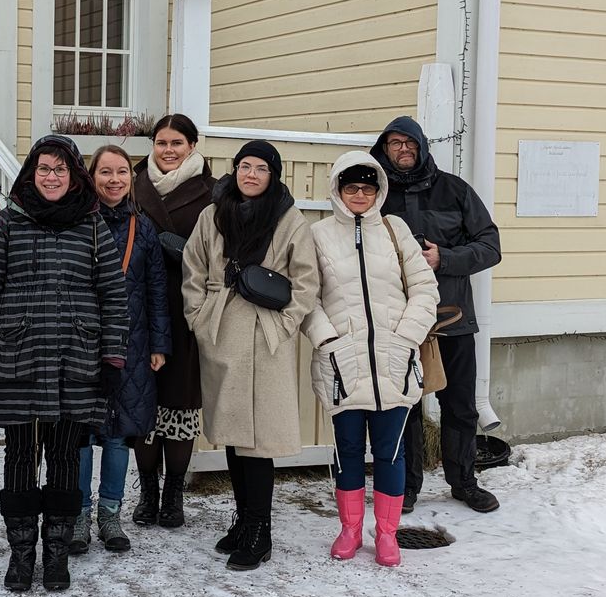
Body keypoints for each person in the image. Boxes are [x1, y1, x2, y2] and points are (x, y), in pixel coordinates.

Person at [0, 135, 129, 592]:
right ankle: (21, 555)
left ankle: (57, 555)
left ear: (74, 176)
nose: (51, 177)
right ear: (31, 175)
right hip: (16, 356)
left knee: (62, 457)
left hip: (77, 357)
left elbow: (113, 297)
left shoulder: (93, 228)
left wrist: (112, 355)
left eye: (60, 169)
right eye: (43, 169)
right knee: (19, 455)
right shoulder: (7, 224)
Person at [183, 140, 320, 571]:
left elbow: (306, 282)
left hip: (265, 338)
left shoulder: (289, 219)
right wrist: (199, 317)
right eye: (245, 166)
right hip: (221, 332)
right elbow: (194, 267)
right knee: (235, 432)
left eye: (261, 168)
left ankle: (260, 532)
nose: (251, 174)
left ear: (273, 175)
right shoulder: (213, 213)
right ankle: (243, 522)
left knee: (258, 440)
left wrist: (282, 326)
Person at [305, 153, 439, 566]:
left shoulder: (395, 231)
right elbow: (305, 296)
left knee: (390, 452)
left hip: (393, 363)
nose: (360, 194)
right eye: (351, 187)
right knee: (347, 450)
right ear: (338, 190)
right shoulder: (318, 235)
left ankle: (386, 534)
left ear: (379, 190)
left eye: (367, 187)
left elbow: (424, 289)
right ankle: (349, 529)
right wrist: (327, 340)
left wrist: (405, 338)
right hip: (342, 363)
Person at [370, 116, 502, 513]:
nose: (403, 149)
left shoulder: (455, 190)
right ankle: (405, 487)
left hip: (452, 317)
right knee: (403, 405)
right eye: (395, 143)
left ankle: (463, 481)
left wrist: (443, 257)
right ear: (385, 149)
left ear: (422, 146)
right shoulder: (375, 195)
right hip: (399, 322)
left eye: (409, 143)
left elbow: (490, 245)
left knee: (460, 405)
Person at [71, 145, 171, 555]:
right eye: (105, 172)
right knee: (79, 434)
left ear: (132, 178)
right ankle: (79, 513)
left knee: (118, 435)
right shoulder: (77, 222)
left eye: (122, 172)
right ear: (91, 177)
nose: (114, 180)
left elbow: (156, 289)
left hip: (130, 346)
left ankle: (110, 514)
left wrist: (160, 344)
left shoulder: (142, 227)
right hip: (80, 344)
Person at [129, 113, 216, 529]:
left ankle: (173, 493)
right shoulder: (132, 183)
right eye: (161, 142)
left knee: (180, 402)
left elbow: (220, 251)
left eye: (177, 143)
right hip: (139, 308)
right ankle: (147, 490)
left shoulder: (212, 193)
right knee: (143, 399)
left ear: (193, 146)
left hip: (186, 311)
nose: (167, 150)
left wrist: (181, 250)